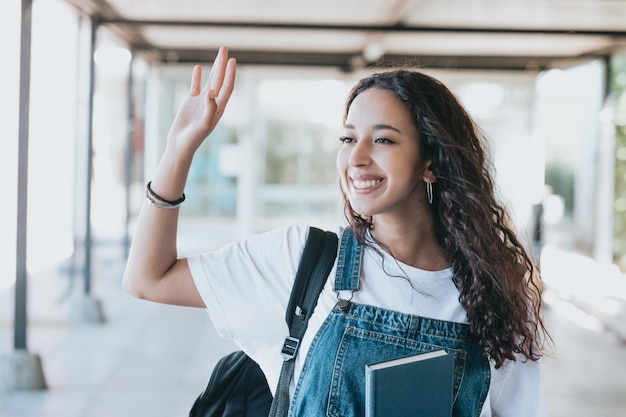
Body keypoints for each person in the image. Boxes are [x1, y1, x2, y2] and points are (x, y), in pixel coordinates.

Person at [123, 46, 549, 417]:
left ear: (431, 161)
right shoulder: (303, 260)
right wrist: (179, 150)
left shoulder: (495, 294)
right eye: (348, 139)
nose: (356, 158)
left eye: (383, 140)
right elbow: (148, 278)